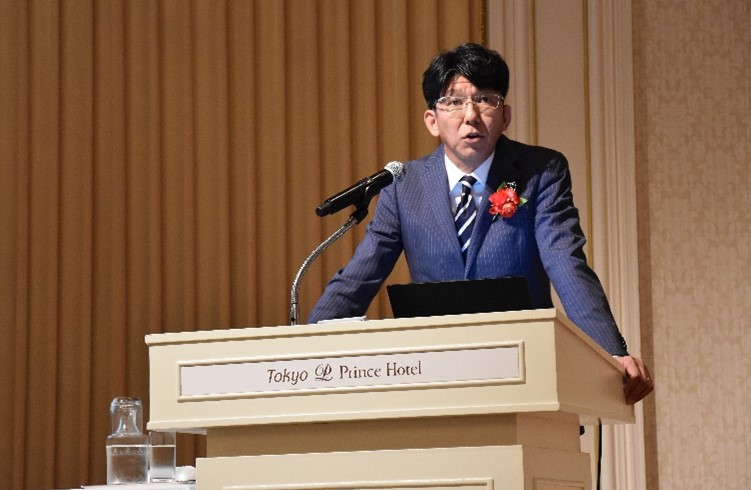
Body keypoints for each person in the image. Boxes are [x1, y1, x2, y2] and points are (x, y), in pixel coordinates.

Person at [308, 43, 653, 404]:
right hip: (435, 380)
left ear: (505, 116)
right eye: (454, 102)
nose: (470, 115)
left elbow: (565, 261)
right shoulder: (404, 186)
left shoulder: (541, 172)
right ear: (432, 121)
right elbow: (360, 277)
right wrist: (302, 349)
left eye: (485, 100)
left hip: (526, 375)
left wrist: (610, 354)